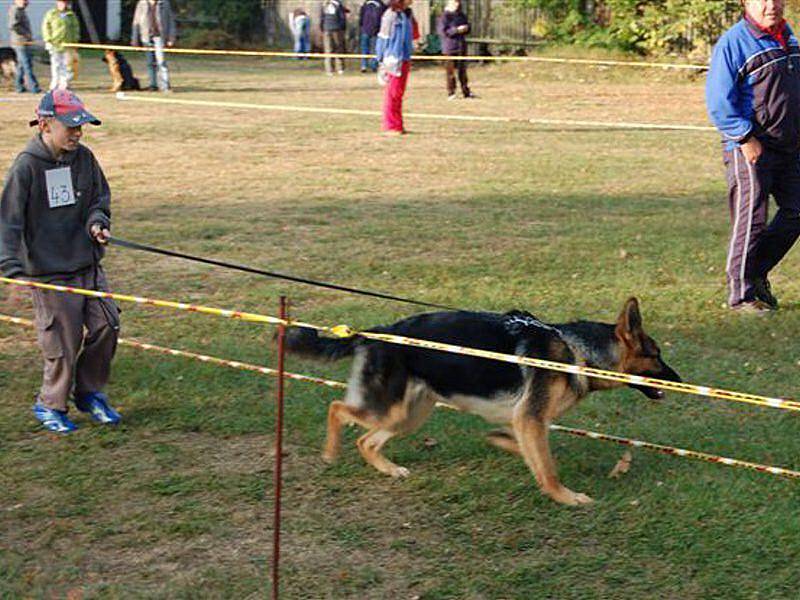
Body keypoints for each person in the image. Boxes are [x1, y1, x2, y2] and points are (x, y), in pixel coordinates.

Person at [0, 90, 121, 433]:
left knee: (107, 325)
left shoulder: (84, 159)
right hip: (50, 272)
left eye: (81, 126)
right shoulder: (27, 165)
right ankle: (50, 403)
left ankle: (90, 392)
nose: (78, 133)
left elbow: (100, 198)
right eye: (70, 127)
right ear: (44, 124)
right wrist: (12, 270)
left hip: (87, 265)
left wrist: (98, 221)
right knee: (62, 341)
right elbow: (8, 221)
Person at [706, 0, 800, 313]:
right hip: (751, 148)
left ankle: (755, 273)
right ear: (746, 3)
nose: (771, 5)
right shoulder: (733, 43)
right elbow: (719, 101)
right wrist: (745, 137)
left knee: (797, 210)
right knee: (751, 221)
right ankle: (740, 297)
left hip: (788, 146)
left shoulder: (790, 38)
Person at [376, 0, 419, 134]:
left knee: (399, 93)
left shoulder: (406, 15)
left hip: (405, 58)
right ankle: (391, 125)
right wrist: (380, 59)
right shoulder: (390, 15)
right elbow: (383, 38)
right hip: (392, 58)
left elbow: (414, 35)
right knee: (392, 94)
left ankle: (398, 124)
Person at [131, 0, 177, 92]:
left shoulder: (164, 3)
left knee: (161, 62)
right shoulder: (142, 3)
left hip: (159, 36)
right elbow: (136, 22)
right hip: (146, 37)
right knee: (150, 63)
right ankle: (153, 84)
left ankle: (164, 85)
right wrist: (135, 39)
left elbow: (171, 21)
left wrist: (171, 38)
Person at [437, 0, 474, 100]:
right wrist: (457, 30)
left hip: (461, 46)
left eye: (458, 2)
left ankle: (466, 91)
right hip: (450, 48)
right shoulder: (444, 16)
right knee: (450, 72)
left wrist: (466, 28)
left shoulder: (461, 15)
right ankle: (451, 92)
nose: (457, 4)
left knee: (462, 71)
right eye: (455, 2)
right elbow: (443, 32)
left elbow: (468, 27)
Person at [41, 0, 80, 91]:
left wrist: (75, 41)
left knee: (67, 65)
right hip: (55, 43)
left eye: (66, 2)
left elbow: (75, 28)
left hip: (68, 44)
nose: (64, 4)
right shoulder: (51, 13)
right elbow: (45, 27)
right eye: (62, 2)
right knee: (56, 65)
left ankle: (64, 84)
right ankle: (54, 84)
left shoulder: (71, 15)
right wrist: (48, 40)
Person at [8, 0, 41, 94]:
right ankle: (34, 87)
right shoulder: (15, 10)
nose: (26, 2)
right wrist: (26, 34)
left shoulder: (21, 10)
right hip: (20, 43)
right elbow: (13, 25)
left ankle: (18, 86)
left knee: (21, 66)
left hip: (24, 42)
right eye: (24, 0)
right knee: (27, 65)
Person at [320, 0, 348, 75]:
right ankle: (340, 68)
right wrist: (343, 28)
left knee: (328, 49)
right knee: (338, 48)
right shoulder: (338, 5)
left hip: (326, 29)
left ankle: (329, 70)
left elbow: (322, 18)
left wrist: (322, 28)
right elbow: (342, 18)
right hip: (337, 29)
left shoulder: (324, 5)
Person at [359, 0, 385, 73]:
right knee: (374, 49)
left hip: (365, 29)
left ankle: (363, 65)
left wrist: (361, 26)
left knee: (364, 48)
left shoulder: (365, 4)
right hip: (375, 30)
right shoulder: (381, 5)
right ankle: (373, 66)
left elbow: (361, 17)